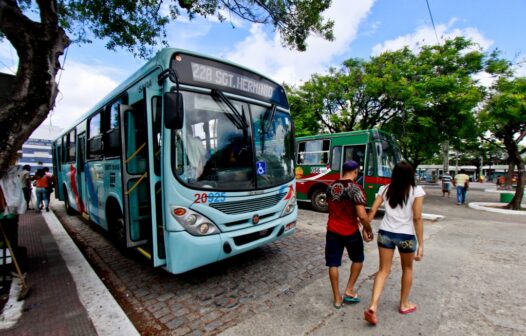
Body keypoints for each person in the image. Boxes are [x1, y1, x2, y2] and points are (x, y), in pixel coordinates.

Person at [364, 161, 425, 326]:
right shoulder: (416, 191)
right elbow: (417, 217)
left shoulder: (385, 189)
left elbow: (373, 210)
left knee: (383, 270)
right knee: (408, 268)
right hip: (406, 236)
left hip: (385, 234)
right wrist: (421, 244)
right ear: (411, 175)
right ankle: (404, 304)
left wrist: (366, 227)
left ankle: (373, 306)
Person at [325, 160, 374, 309]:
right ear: (356, 172)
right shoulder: (356, 188)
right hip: (351, 231)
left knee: (333, 263)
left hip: (332, 230)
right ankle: (349, 289)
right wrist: (368, 229)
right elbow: (362, 215)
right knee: (358, 259)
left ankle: (337, 299)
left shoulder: (330, 187)